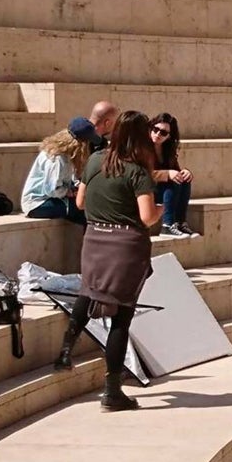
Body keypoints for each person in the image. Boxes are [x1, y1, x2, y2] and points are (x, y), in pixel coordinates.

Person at [52, 110, 163, 412]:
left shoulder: (94, 160)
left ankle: (66, 346)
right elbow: (147, 217)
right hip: (125, 247)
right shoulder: (137, 171)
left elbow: (79, 202)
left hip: (94, 239)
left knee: (90, 290)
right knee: (121, 318)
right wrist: (161, 210)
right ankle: (112, 391)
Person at [20, 117, 103, 225]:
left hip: (53, 198)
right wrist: (70, 192)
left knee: (86, 204)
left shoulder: (66, 156)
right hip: (38, 204)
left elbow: (71, 178)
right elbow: (52, 190)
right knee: (82, 209)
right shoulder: (56, 159)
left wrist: (78, 187)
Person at [150, 112, 198, 238]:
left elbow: (175, 171)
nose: (158, 134)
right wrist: (166, 174)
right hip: (145, 190)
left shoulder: (168, 150)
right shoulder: (142, 148)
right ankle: (167, 225)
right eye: (155, 129)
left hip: (162, 191)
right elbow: (140, 174)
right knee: (172, 180)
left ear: (169, 137)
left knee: (183, 180)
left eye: (163, 132)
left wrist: (185, 172)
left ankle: (180, 222)